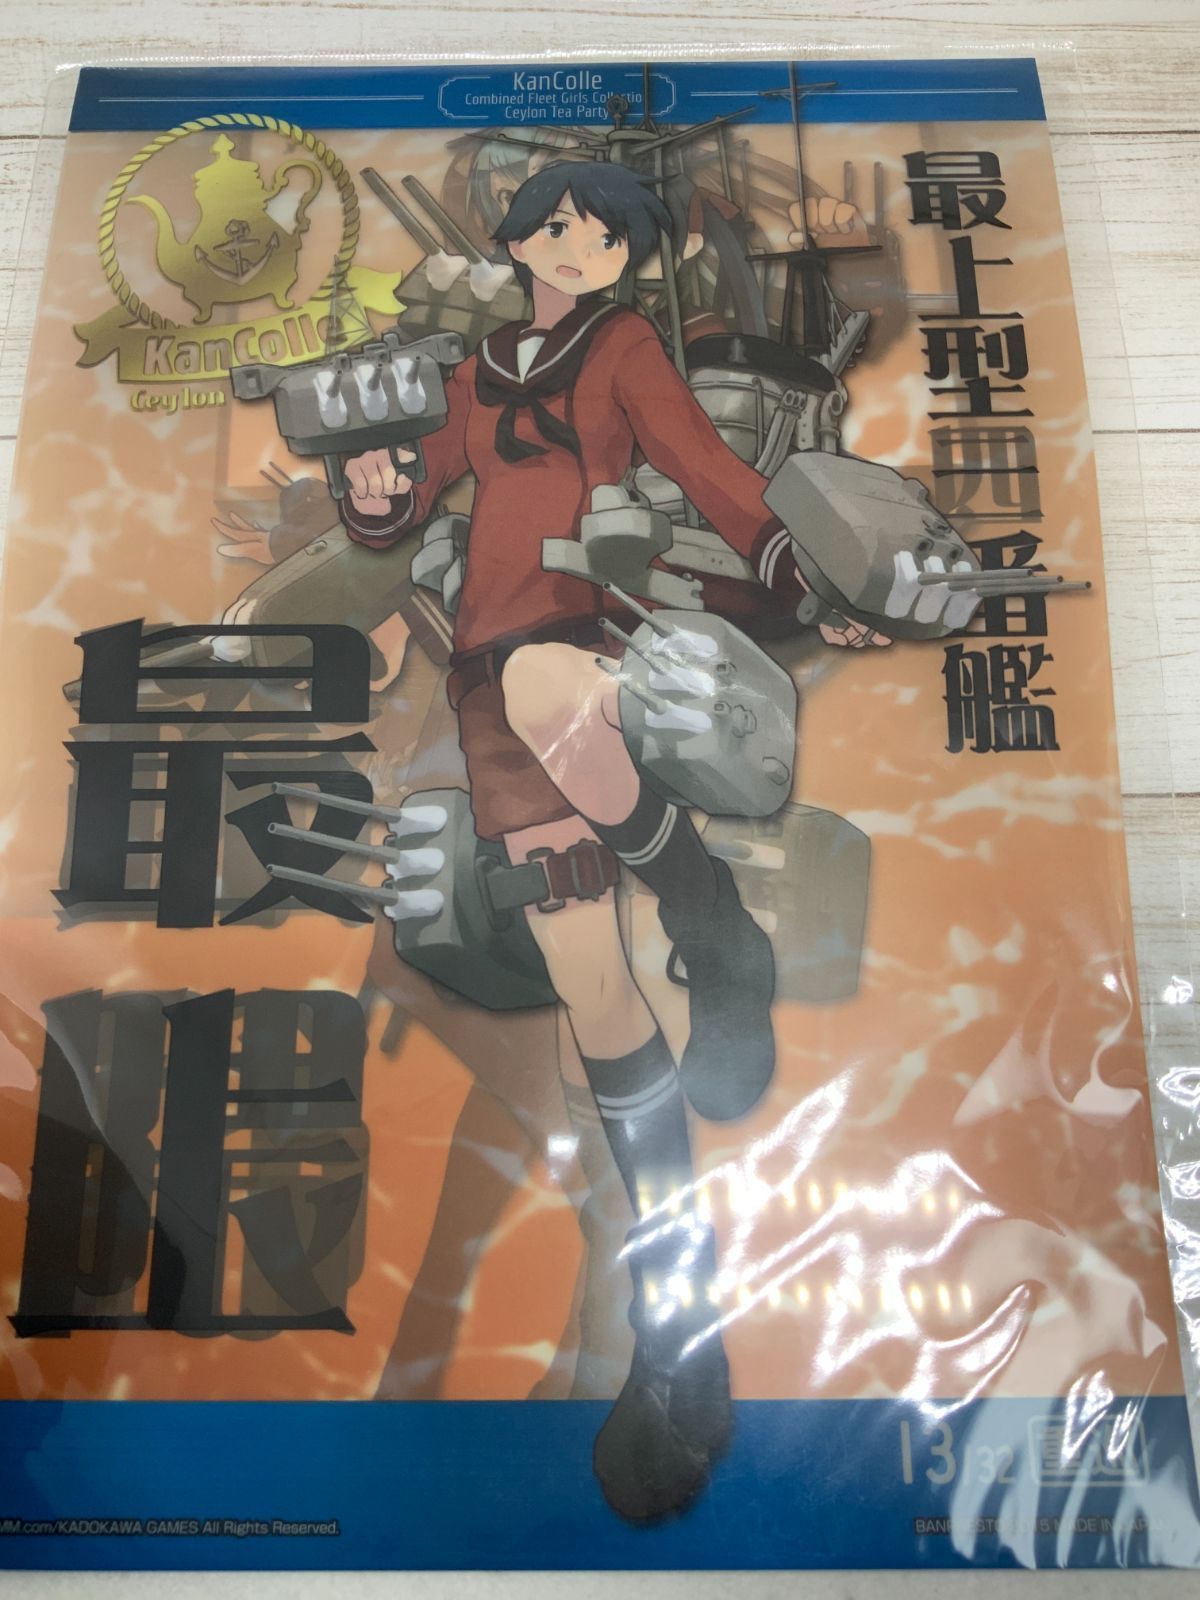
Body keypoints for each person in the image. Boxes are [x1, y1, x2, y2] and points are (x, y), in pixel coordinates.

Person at [338, 160, 885, 1523]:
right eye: (557, 225)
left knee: (545, 688)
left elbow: (706, 467)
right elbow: (410, 497)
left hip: (594, 631)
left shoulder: (626, 344)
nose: (576, 242)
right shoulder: (474, 372)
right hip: (483, 674)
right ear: (522, 240)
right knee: (591, 988)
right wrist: (377, 476)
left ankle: (708, 913)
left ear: (627, 253)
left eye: (601, 229)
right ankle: (677, 1331)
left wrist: (807, 574)